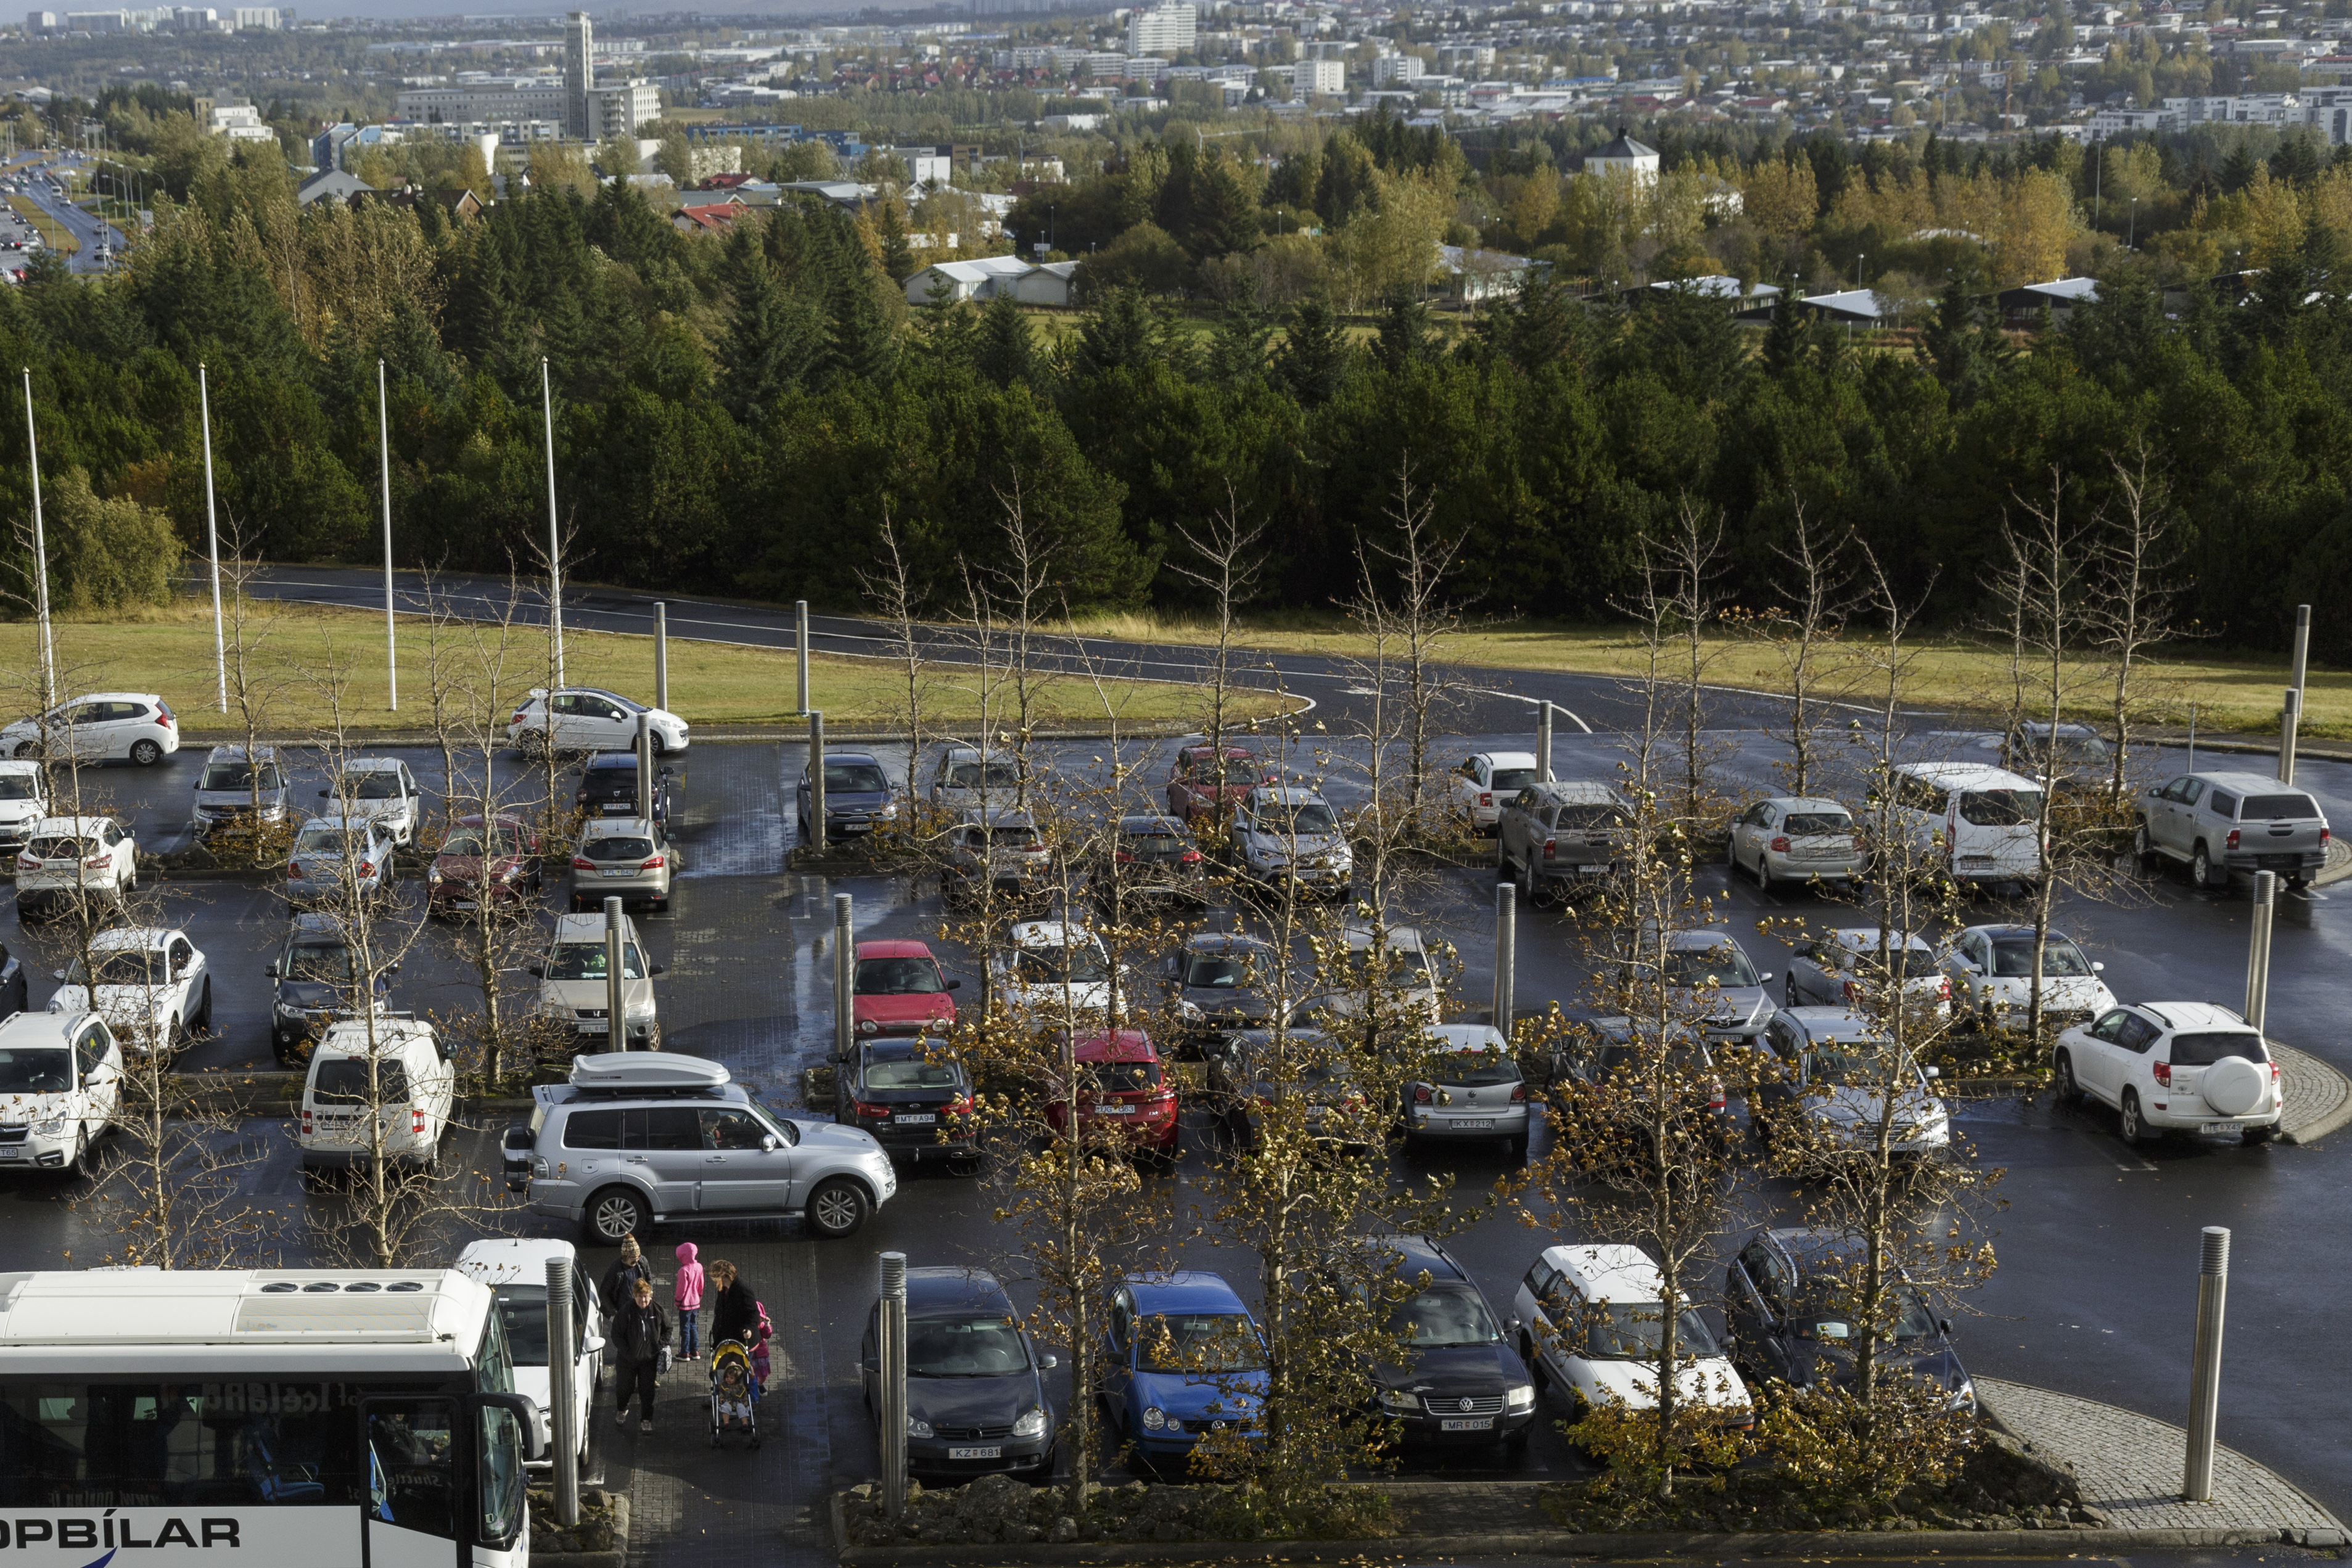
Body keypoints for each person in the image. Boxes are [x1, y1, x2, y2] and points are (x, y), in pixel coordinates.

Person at [611, 1278, 670, 1434]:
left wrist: (658, 1346)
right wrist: (628, 1352)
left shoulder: (658, 1311)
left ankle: (646, 1420)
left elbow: (668, 1329)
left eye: (646, 1296)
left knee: (647, 1391)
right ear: (634, 1296)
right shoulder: (626, 1312)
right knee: (624, 1388)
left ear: (650, 1296)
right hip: (627, 1361)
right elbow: (616, 1335)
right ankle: (622, 1409)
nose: (643, 1300)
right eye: (639, 1296)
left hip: (648, 1361)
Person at [707, 1259, 757, 1350]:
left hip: (740, 1340)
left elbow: (753, 1313)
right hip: (726, 1339)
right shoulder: (723, 1289)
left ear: (723, 1277)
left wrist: (749, 1329)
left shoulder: (743, 1290)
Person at [600, 1236, 652, 1316]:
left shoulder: (642, 1261)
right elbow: (603, 1293)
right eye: (633, 1259)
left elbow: (649, 1279)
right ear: (626, 1257)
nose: (636, 1261)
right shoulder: (615, 1269)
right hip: (623, 1311)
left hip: (640, 1308)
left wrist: (649, 1295)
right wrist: (614, 1313)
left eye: (638, 1257)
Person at [673, 1242, 705, 1362]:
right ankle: (695, 1351)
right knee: (693, 1326)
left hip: (685, 1304)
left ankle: (685, 1352)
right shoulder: (699, 1267)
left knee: (685, 1328)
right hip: (696, 1302)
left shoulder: (683, 1270)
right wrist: (699, 1296)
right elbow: (701, 1285)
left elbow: (681, 1289)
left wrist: (678, 1302)